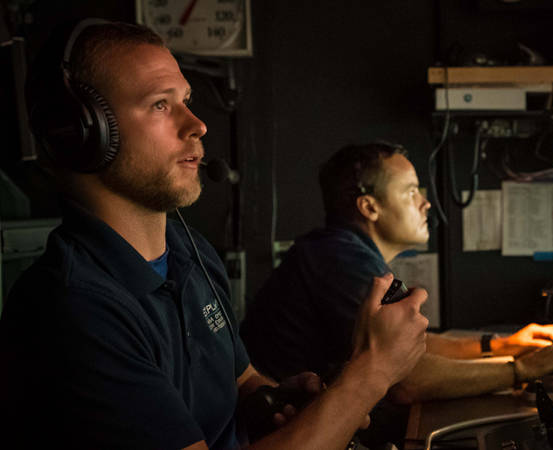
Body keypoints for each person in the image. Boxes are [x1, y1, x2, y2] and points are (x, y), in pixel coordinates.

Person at [0, 19, 428, 449]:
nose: (198, 124)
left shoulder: (188, 250)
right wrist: (370, 375)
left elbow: (242, 380)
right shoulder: (72, 310)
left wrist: (277, 402)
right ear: (83, 133)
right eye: (160, 105)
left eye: (186, 99)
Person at [240, 142, 553, 405]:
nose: (425, 203)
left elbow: (411, 347)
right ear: (370, 206)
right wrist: (522, 371)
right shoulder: (339, 259)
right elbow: (408, 379)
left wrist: (500, 345)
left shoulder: (341, 251)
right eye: (410, 192)